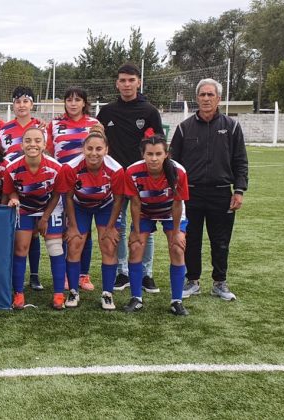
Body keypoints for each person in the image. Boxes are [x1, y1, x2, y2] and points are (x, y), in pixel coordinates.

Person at [169, 78, 248, 301]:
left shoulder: (231, 127)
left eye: (210, 95)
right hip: (190, 194)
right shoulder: (184, 128)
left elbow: (240, 160)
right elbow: (172, 163)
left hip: (221, 192)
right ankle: (192, 280)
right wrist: (174, 192)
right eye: (202, 95)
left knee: (221, 241)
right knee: (191, 239)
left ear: (218, 99)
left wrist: (239, 190)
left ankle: (219, 283)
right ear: (196, 98)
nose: (205, 98)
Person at [97, 63, 164, 294]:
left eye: (131, 80)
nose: (127, 84)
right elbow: (96, 141)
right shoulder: (106, 112)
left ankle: (146, 273)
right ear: (117, 83)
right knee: (119, 225)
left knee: (144, 226)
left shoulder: (149, 112)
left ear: (139, 83)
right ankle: (122, 272)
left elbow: (158, 146)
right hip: (115, 178)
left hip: (142, 179)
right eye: (122, 80)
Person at [123, 135, 190, 315]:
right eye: (150, 154)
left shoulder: (178, 171)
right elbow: (135, 203)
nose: (154, 158)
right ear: (142, 154)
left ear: (166, 154)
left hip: (171, 212)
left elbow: (177, 204)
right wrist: (136, 232)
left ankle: (177, 301)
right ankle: (136, 298)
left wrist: (176, 233)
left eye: (158, 154)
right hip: (145, 211)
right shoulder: (132, 172)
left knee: (177, 248)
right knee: (136, 246)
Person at [60, 131, 125, 310]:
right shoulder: (70, 167)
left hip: (106, 206)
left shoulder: (116, 169)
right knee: (74, 243)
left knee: (109, 245)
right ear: (83, 149)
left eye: (98, 149)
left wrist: (111, 227)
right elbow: (68, 197)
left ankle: (107, 294)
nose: (94, 153)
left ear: (106, 150)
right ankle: (73, 291)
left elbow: (119, 199)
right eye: (89, 148)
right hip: (79, 206)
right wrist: (72, 226)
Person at [4, 127, 67, 310]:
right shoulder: (12, 168)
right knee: (21, 248)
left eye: (37, 140)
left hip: (50, 208)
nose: (33, 144)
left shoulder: (56, 168)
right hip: (25, 209)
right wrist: (14, 198)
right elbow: (11, 191)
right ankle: (18, 294)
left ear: (44, 144)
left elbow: (56, 195)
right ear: (22, 144)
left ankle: (58, 295)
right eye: (28, 140)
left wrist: (45, 218)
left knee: (55, 249)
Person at [47, 86, 102, 293]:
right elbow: (50, 153)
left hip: (86, 185)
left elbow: (101, 150)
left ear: (84, 103)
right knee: (63, 231)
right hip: (62, 183)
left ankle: (82, 275)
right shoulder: (54, 124)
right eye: (69, 99)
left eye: (77, 99)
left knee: (83, 231)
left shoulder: (94, 124)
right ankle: (65, 276)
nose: (73, 103)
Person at [0, 86, 46, 290]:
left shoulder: (42, 127)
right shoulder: (4, 128)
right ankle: (11, 274)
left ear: (32, 104)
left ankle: (34, 275)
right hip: (13, 184)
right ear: (13, 105)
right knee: (19, 233)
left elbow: (48, 153)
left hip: (36, 184)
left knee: (35, 232)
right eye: (17, 102)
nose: (21, 105)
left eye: (26, 101)